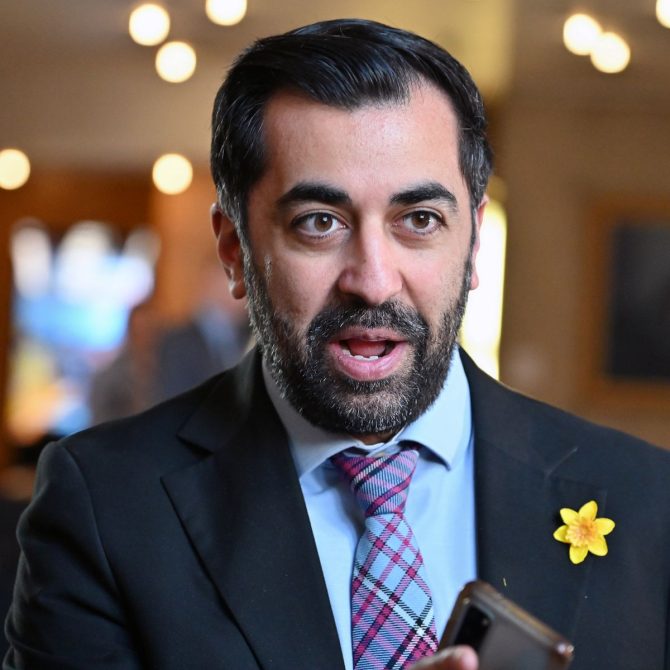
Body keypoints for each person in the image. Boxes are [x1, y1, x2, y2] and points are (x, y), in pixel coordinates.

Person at [4, 18, 670, 670]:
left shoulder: (647, 499)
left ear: (472, 246)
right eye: (319, 223)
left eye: (420, 219)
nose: (373, 281)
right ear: (235, 250)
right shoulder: (104, 505)